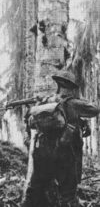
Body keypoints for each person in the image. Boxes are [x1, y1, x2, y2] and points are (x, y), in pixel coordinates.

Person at [22, 70, 100, 207]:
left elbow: (31, 121)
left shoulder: (46, 102)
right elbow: (95, 109)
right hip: (65, 152)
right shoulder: (74, 103)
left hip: (43, 152)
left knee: (38, 188)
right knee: (68, 193)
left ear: (58, 85)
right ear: (71, 88)